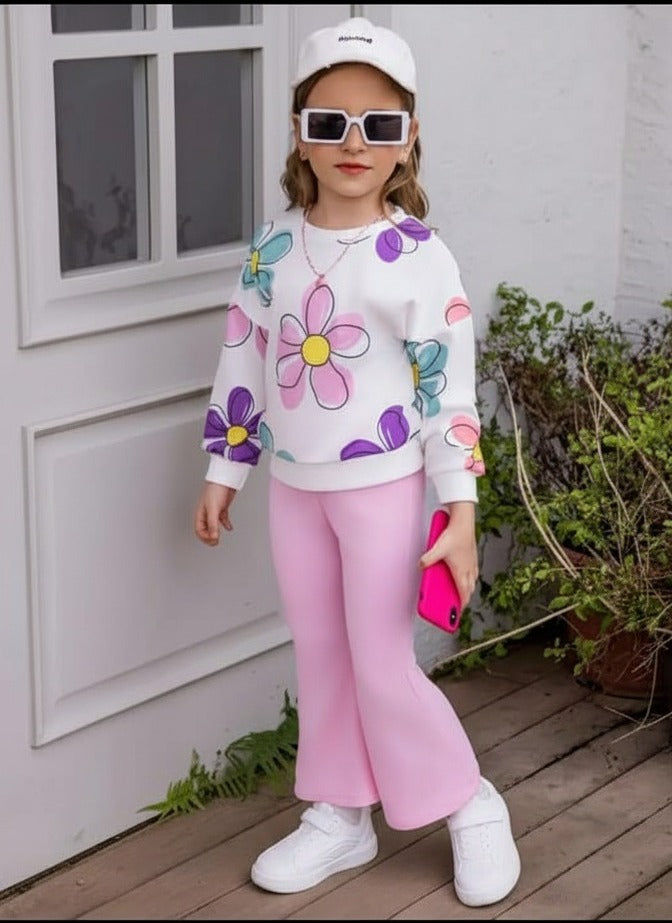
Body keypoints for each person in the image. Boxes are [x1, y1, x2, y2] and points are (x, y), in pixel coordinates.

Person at [193, 15, 521, 908]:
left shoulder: (418, 256)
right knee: (323, 652)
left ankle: (468, 800)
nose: (353, 143)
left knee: (380, 660)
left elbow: (448, 393)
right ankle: (341, 812)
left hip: (384, 489)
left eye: (378, 125)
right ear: (299, 131)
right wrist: (226, 468)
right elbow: (243, 360)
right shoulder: (272, 248)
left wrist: (459, 510)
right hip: (295, 490)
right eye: (329, 122)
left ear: (408, 137)